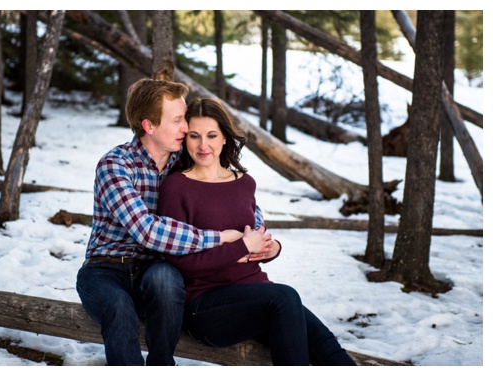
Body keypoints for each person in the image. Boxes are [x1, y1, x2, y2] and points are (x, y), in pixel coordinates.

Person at [76, 78, 273, 366]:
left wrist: (254, 232)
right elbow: (146, 230)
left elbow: (230, 191)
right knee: (119, 307)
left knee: (166, 279)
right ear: (149, 126)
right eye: (178, 120)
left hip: (156, 268)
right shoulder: (116, 165)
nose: (186, 128)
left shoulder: (182, 160)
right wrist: (220, 238)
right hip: (106, 268)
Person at [157, 97, 356, 366]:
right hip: (205, 306)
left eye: (212, 135)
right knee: (286, 298)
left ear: (225, 137)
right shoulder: (176, 187)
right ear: (185, 139)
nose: (203, 145)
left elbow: (254, 238)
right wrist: (241, 247)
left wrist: (271, 249)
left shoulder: (244, 183)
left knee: (327, 349)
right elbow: (179, 263)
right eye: (194, 136)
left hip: (258, 294)